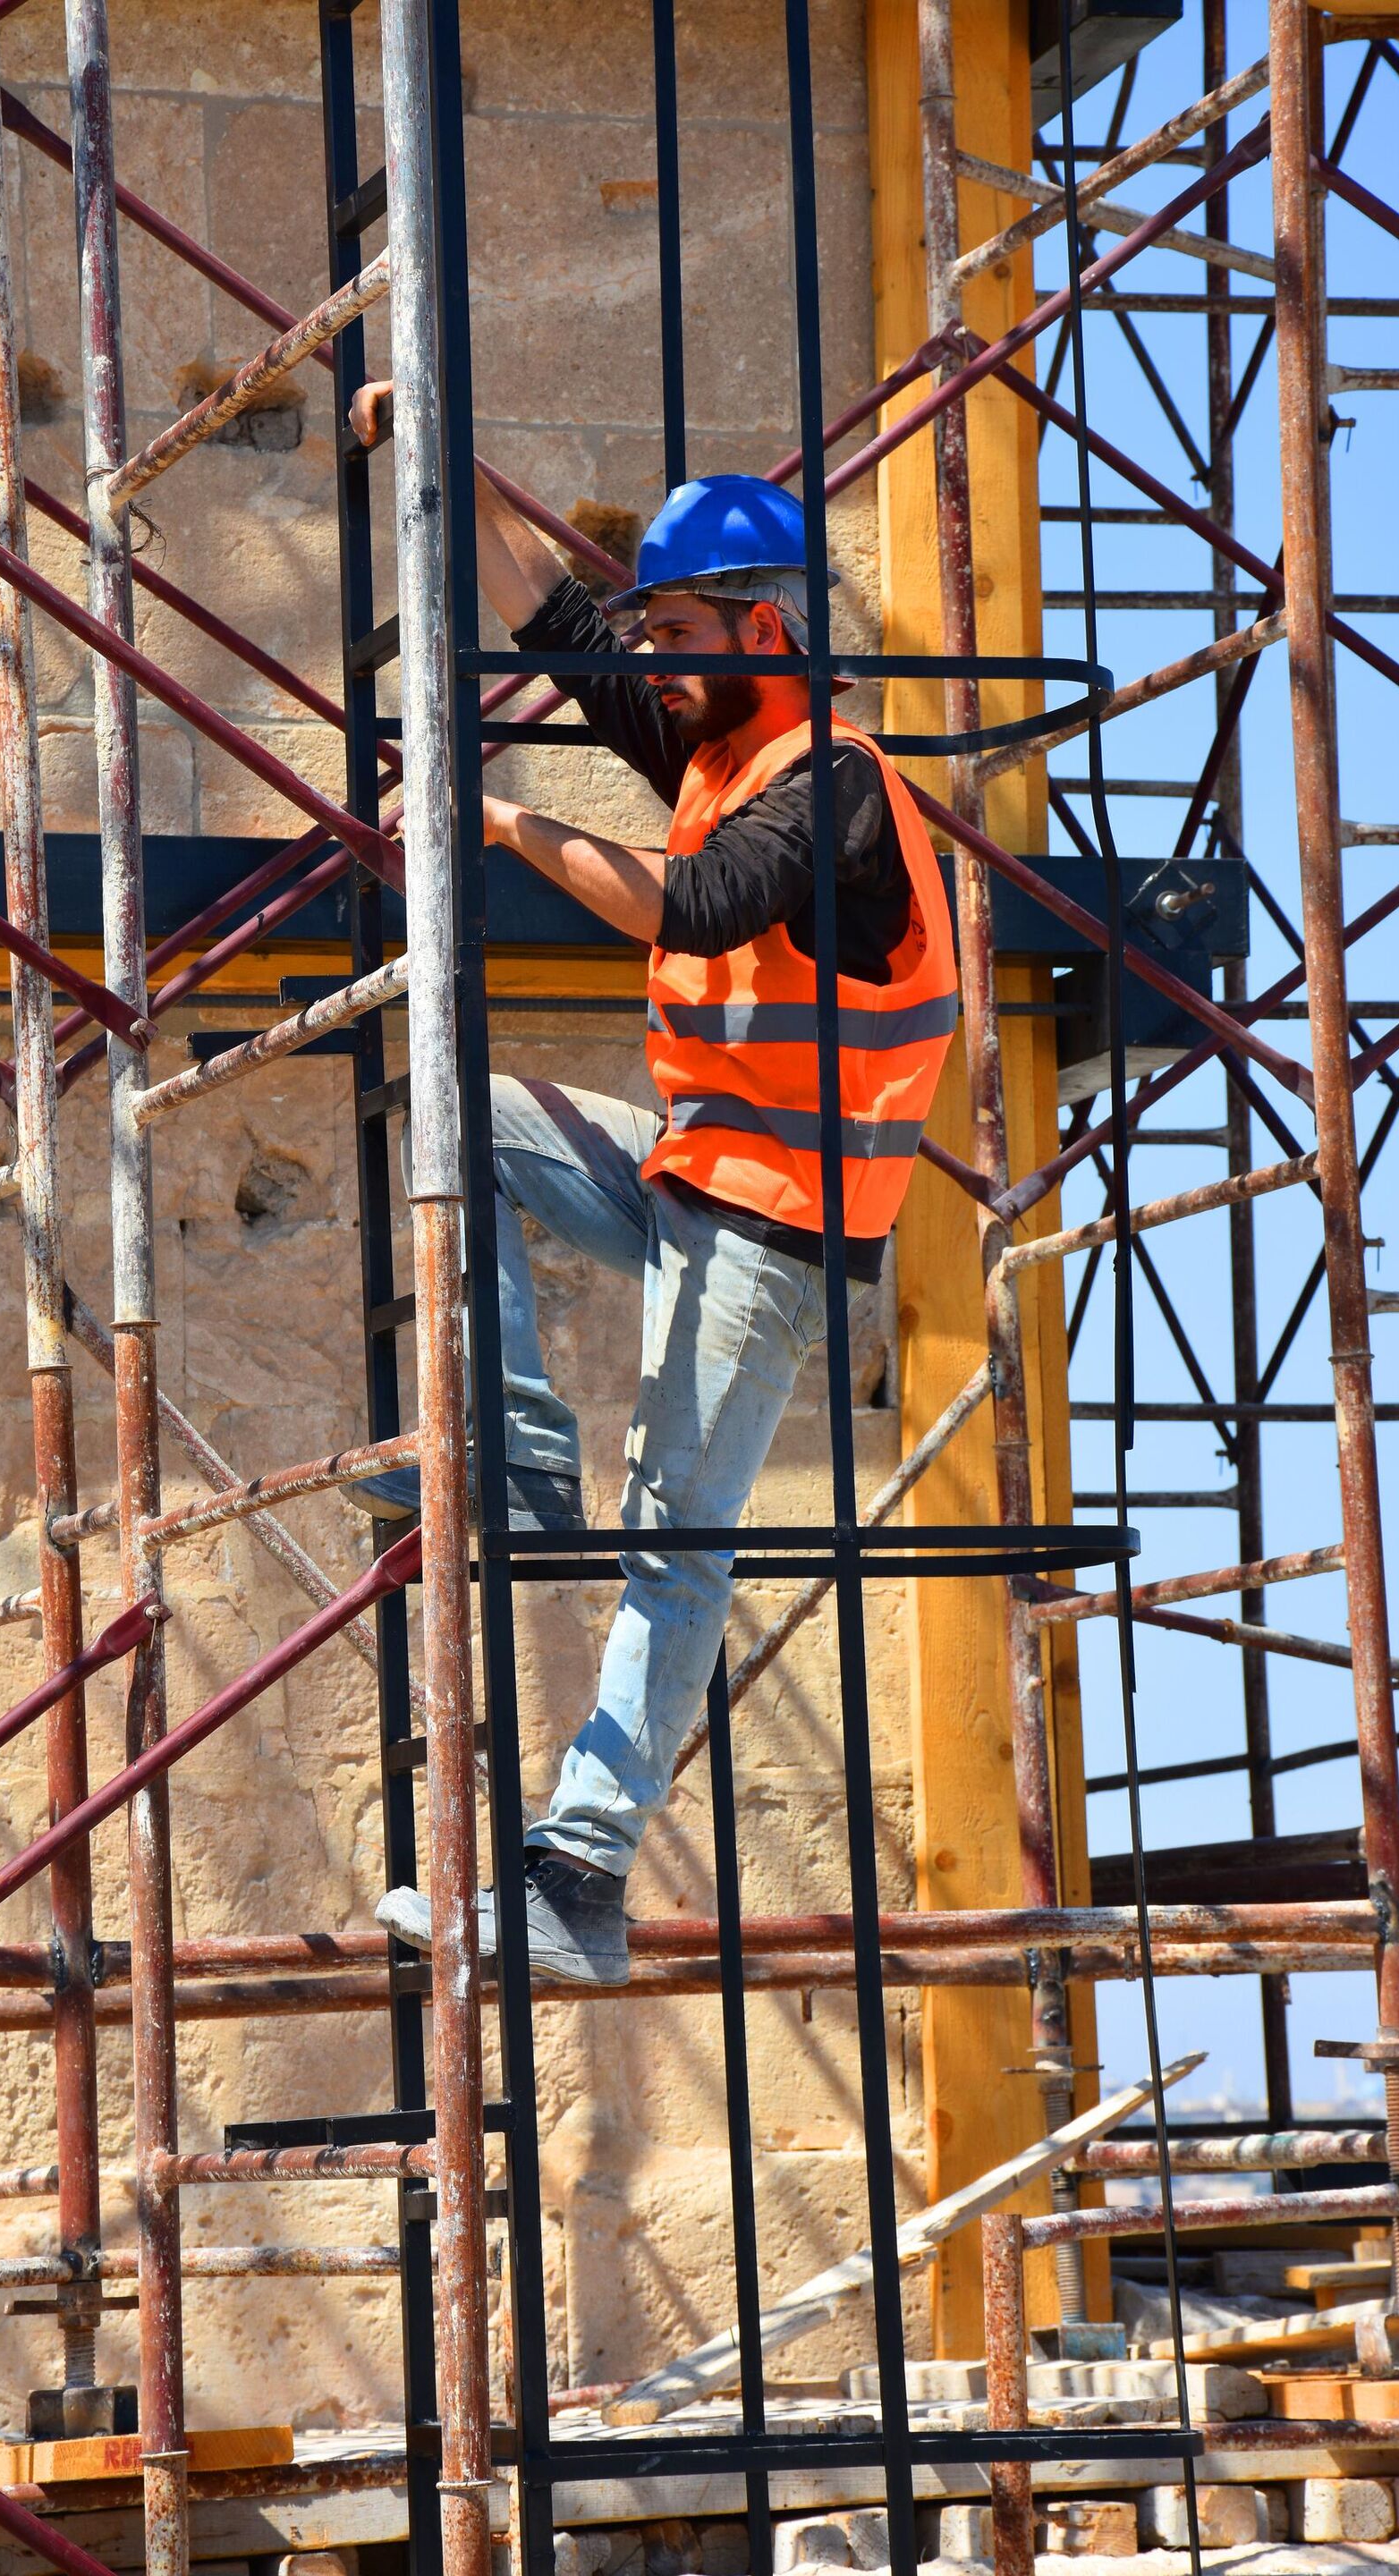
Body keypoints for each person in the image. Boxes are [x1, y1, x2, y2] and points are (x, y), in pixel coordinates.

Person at [343, 385, 959, 1986]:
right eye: (658, 627)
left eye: (681, 624)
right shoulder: (712, 737)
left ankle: (580, 1889)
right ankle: (520, 1456)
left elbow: (686, 911)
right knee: (460, 1119)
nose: (658, 654)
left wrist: (502, 820)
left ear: (763, 624)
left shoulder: (832, 786)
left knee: (678, 1548)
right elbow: (544, 609)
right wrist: (438, 445)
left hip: (779, 1230)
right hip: (695, 1173)